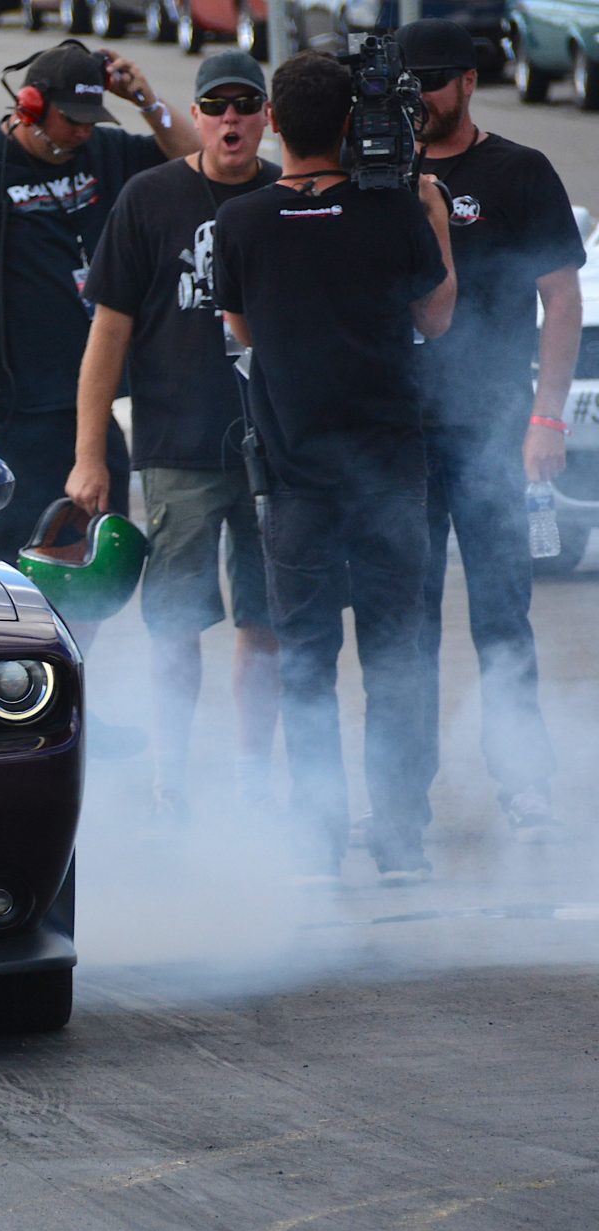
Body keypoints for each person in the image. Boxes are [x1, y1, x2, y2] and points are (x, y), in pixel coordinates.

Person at [213, 51, 455, 880]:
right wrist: (434, 218)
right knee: (396, 654)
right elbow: (437, 315)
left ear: (273, 122)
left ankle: (317, 841)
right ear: (353, 123)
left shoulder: (240, 224)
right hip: (389, 466)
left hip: (293, 476)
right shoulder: (394, 213)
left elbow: (242, 330)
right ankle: (398, 837)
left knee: (308, 664)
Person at [0, 41, 198, 567]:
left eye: (93, 118)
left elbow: (193, 165)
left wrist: (147, 101)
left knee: (91, 572)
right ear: (30, 106)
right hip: (1, 423)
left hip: (83, 416)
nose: (84, 131)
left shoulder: (104, 152)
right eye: (72, 119)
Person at [67, 51, 282, 819]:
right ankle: (172, 781)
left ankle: (256, 777)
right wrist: (91, 453)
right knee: (175, 628)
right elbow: (108, 335)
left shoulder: (287, 194)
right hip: (175, 453)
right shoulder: (149, 199)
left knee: (266, 622)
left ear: (268, 117)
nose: (231, 120)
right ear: (196, 116)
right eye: (217, 106)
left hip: (273, 452)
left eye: (245, 106)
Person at [395, 18, 586, 842]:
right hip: (396, 436)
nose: (422, 101)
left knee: (503, 615)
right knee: (405, 624)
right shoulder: (375, 173)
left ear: (470, 82)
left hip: (493, 428)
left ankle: (524, 781)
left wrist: (546, 415)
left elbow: (563, 298)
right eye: (409, 87)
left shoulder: (518, 170)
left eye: (434, 83)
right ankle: (404, 797)